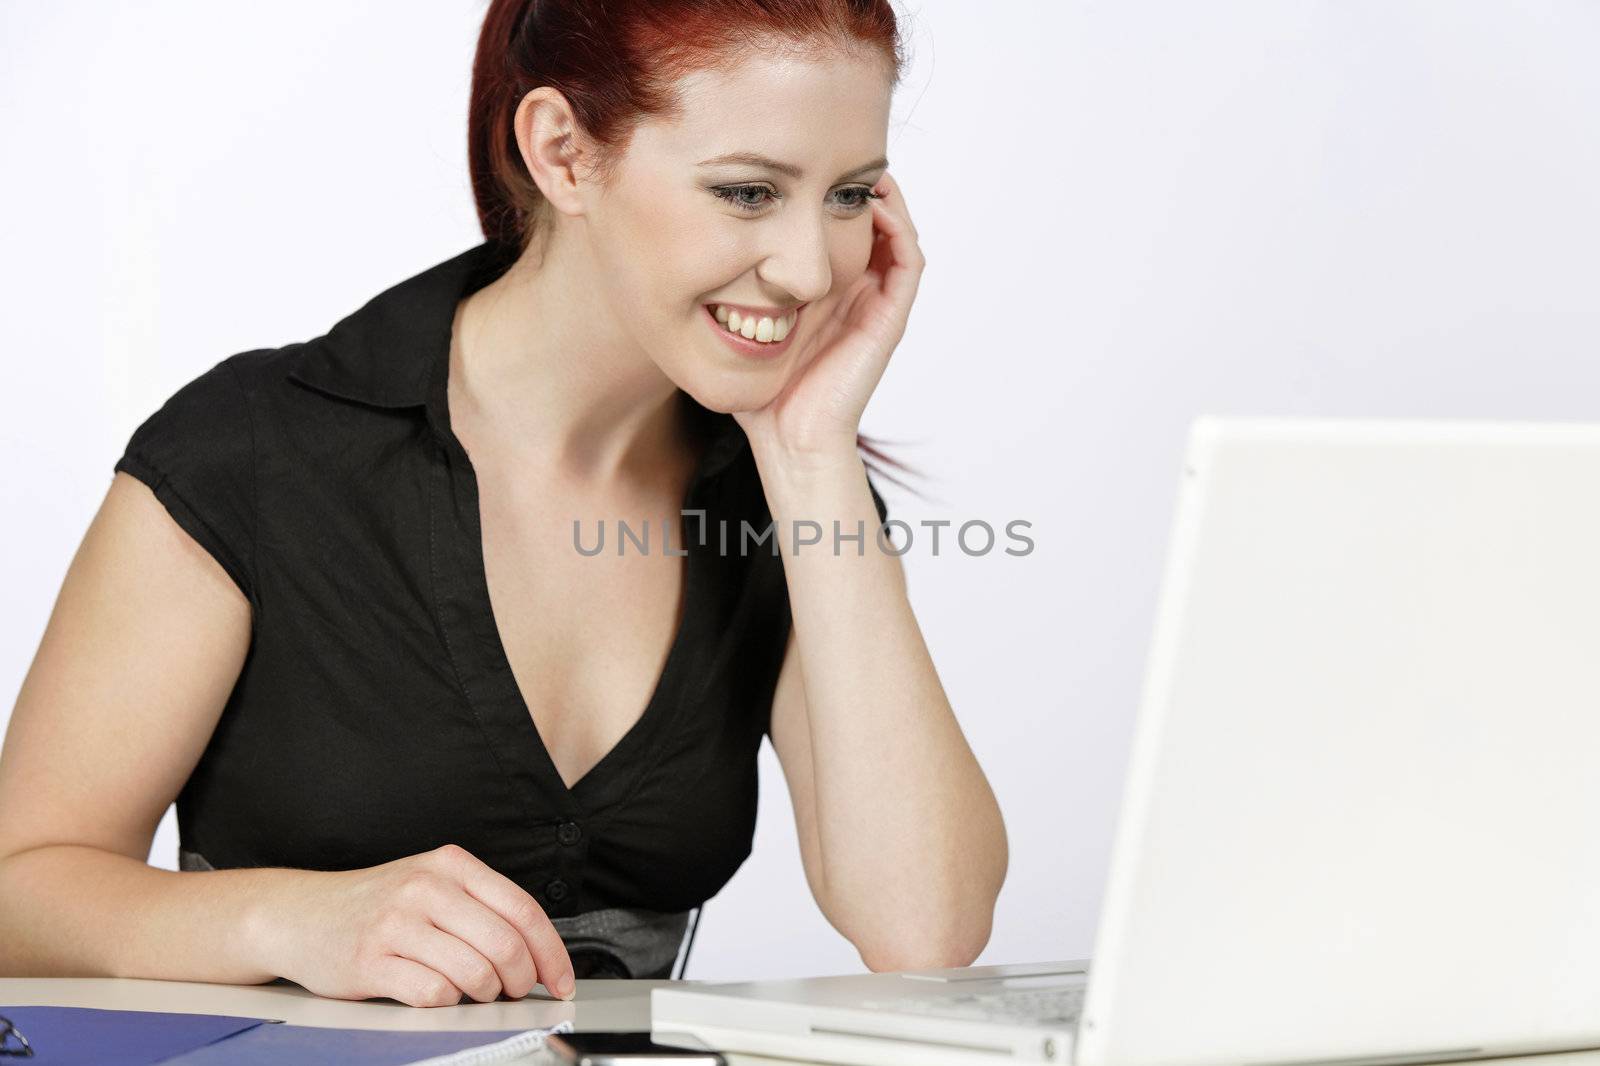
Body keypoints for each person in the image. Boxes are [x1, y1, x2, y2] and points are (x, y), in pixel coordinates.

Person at [0, 0, 1007, 1008]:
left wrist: (809, 451)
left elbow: (924, 931)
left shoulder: (787, 498)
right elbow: (18, 893)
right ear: (563, 151)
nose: (807, 269)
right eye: (747, 193)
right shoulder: (256, 454)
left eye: (847, 197)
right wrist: (289, 917)